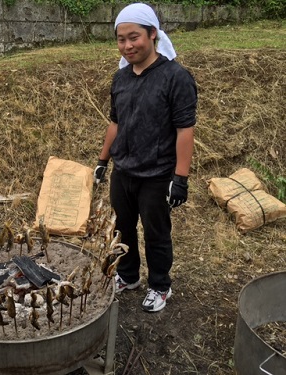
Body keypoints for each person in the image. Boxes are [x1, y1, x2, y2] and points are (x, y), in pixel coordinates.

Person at [94, 3, 197, 312]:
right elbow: (116, 123)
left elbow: (184, 130)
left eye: (134, 37)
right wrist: (102, 161)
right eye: (121, 39)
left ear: (153, 35)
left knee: (156, 234)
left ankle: (160, 286)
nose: (127, 45)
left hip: (157, 174)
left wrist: (180, 179)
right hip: (123, 171)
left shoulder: (175, 77)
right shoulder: (121, 78)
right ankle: (127, 276)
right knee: (121, 229)